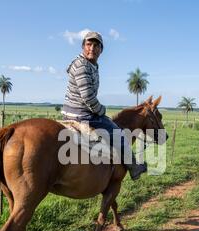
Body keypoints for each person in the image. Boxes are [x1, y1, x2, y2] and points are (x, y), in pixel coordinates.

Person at [62, 31, 147, 180]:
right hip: (82, 113)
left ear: (101, 50)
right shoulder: (82, 66)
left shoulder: (91, 65)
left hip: (76, 110)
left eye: (96, 45)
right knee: (118, 134)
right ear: (83, 47)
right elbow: (88, 97)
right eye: (89, 44)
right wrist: (101, 110)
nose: (92, 48)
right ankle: (134, 168)